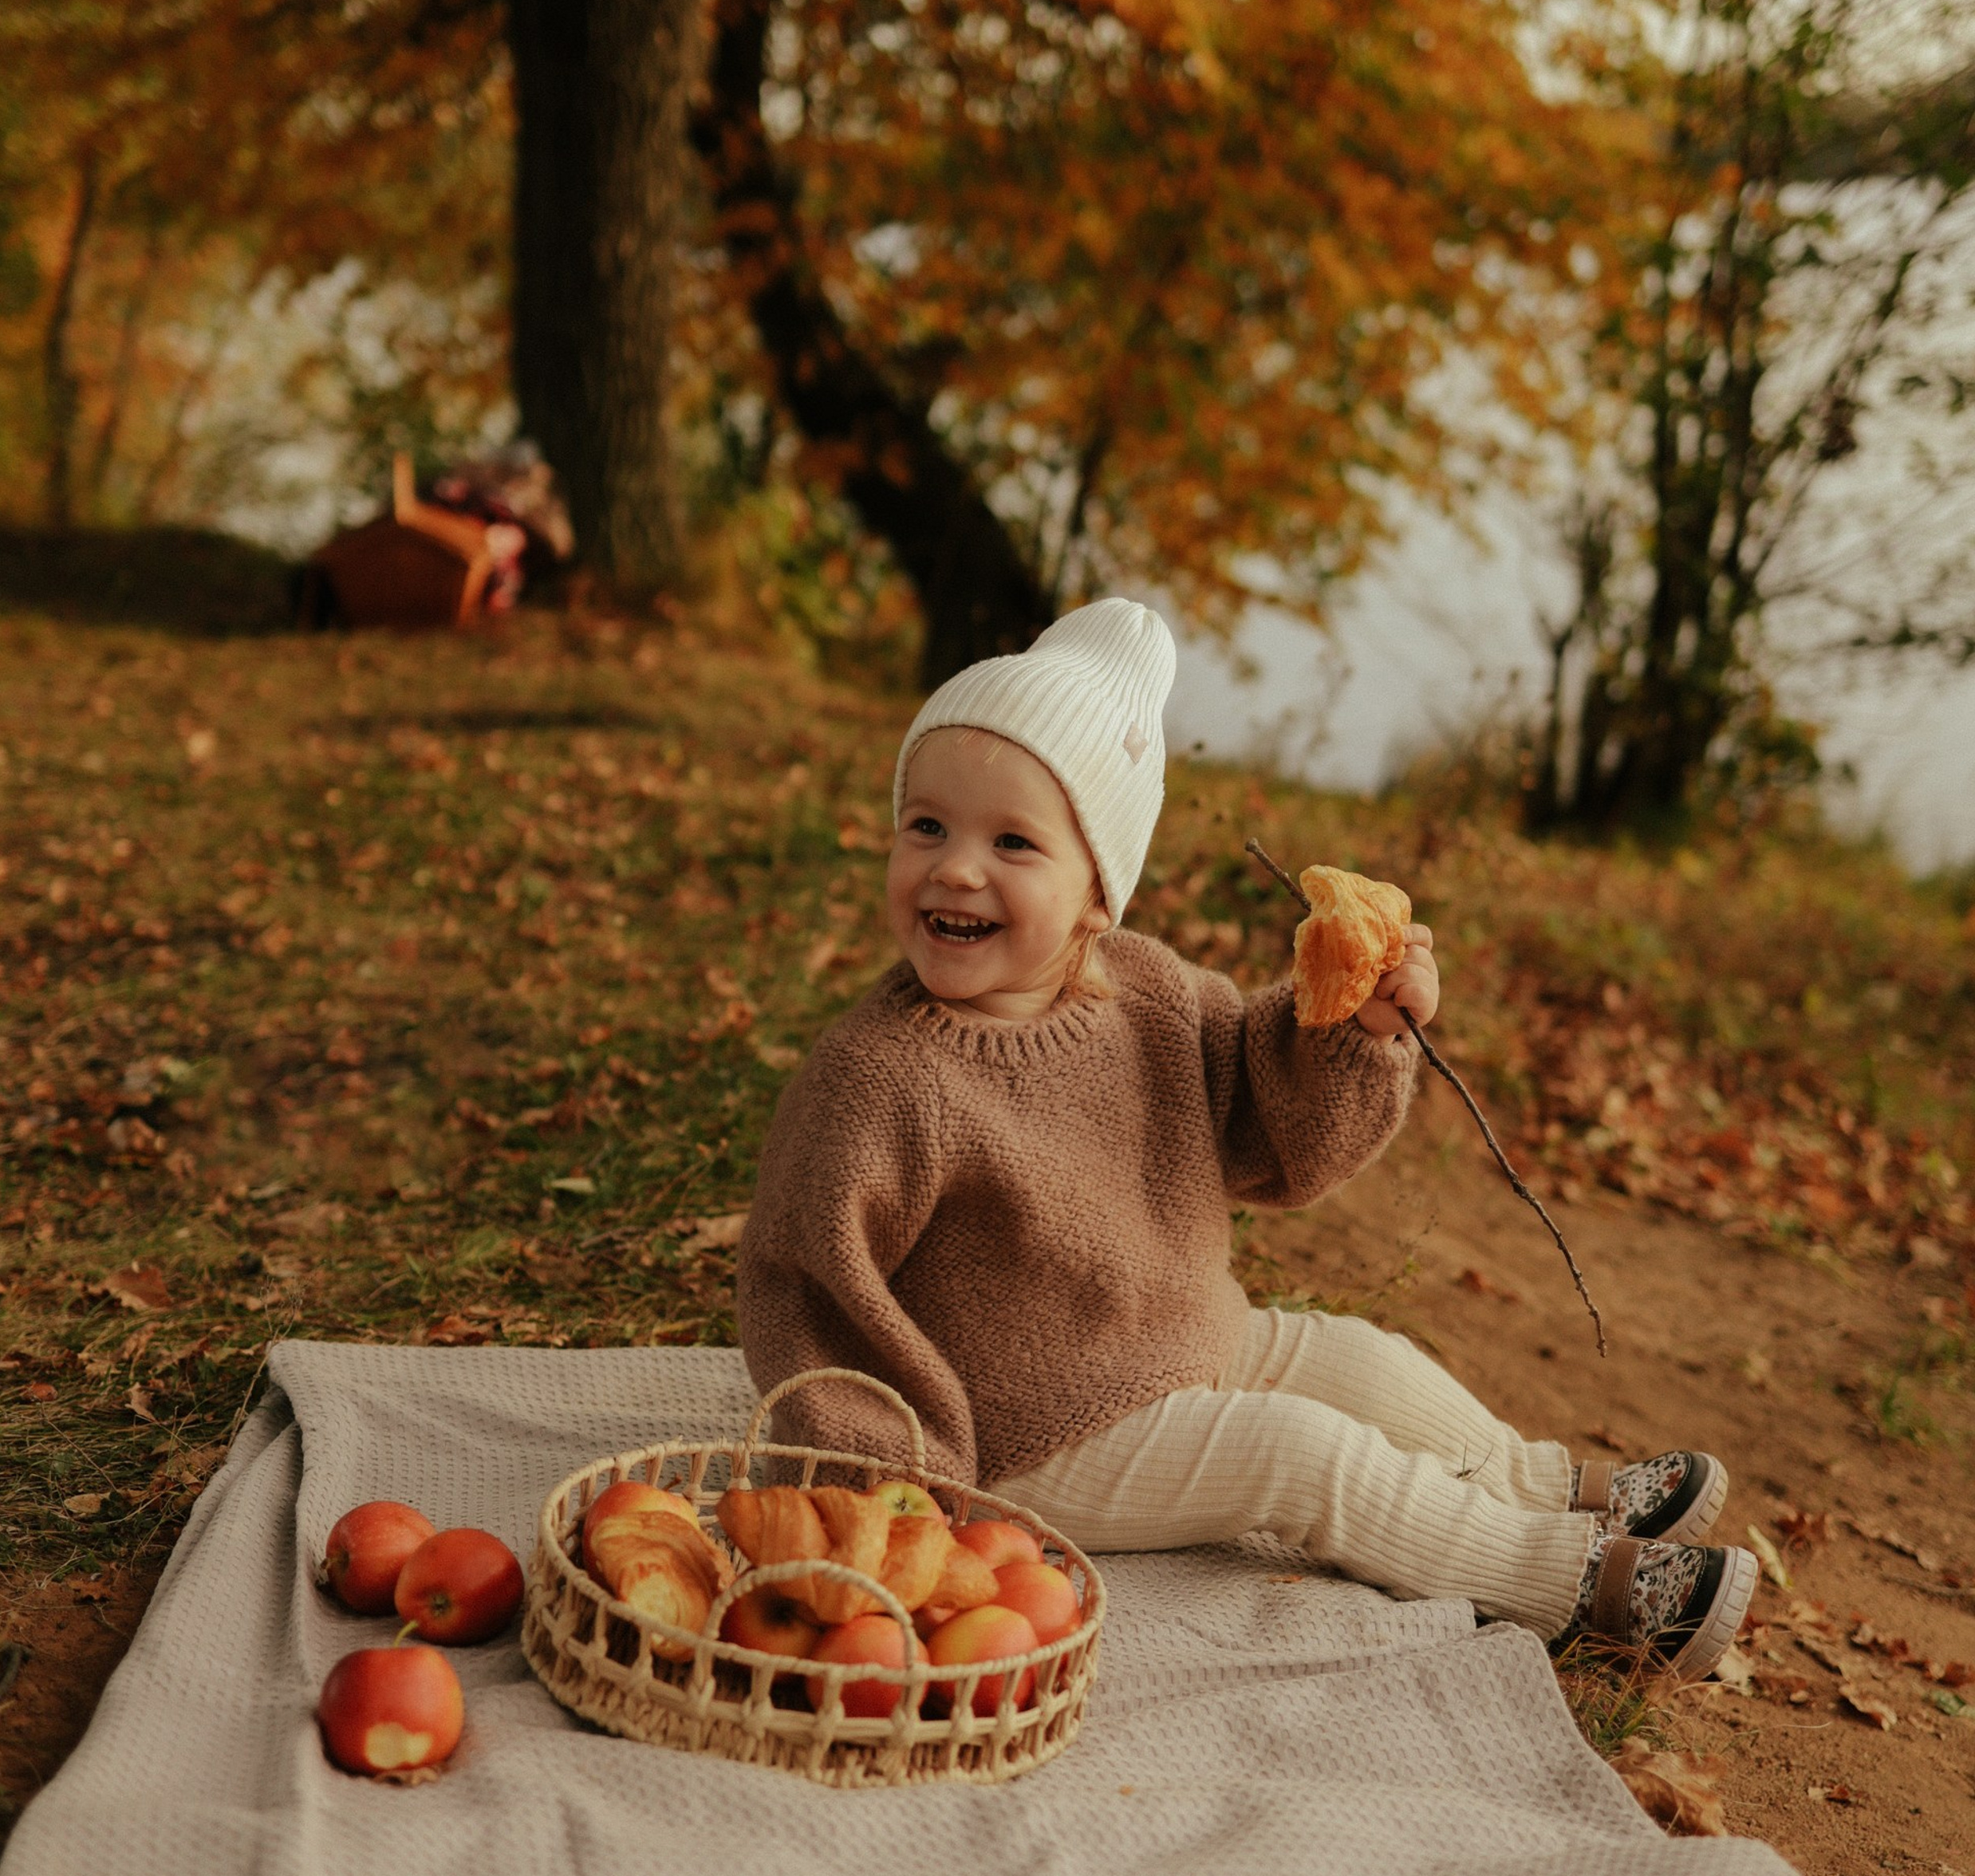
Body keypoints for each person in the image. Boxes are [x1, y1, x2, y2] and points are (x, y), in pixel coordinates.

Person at [736, 599, 1757, 1678]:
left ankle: (1544, 1486)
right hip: (1022, 1438)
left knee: (1362, 1361)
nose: (955, 868)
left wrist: (1353, 1027)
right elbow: (809, 1289)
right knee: (1304, 1458)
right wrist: (894, 1491)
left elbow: (1270, 1116)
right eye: (926, 827)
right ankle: (1564, 1581)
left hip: (1182, 1338)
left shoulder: (1145, 992)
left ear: (1098, 894)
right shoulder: (881, 1077)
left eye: (1013, 843)